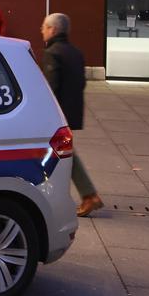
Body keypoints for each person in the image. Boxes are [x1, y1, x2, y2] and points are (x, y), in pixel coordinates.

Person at [41, 13, 102, 217]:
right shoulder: (75, 52)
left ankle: (88, 195)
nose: (41, 30)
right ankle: (84, 194)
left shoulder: (53, 53)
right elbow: (82, 83)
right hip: (73, 111)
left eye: (45, 27)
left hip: (57, 114)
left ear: (53, 30)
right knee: (61, 152)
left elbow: (50, 88)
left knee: (62, 153)